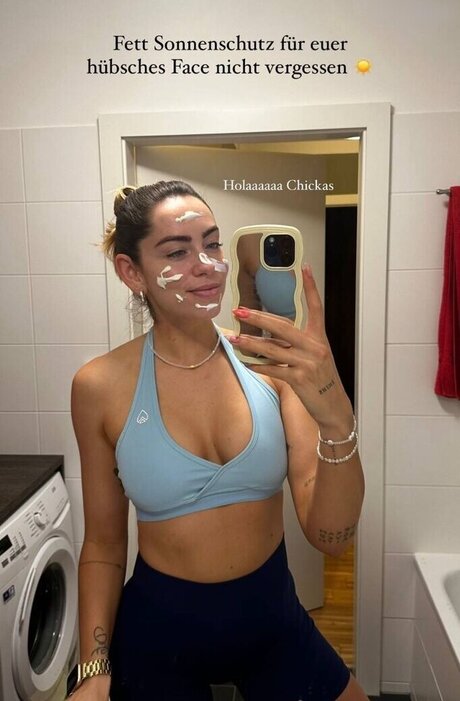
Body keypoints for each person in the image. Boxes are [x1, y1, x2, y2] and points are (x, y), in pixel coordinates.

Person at [69, 180, 368, 700]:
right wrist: (93, 670)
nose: (206, 265)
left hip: (272, 621)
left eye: (212, 244)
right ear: (131, 272)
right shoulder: (100, 387)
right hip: (158, 634)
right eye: (177, 252)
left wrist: (337, 417)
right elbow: (103, 545)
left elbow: (332, 539)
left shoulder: (272, 368)